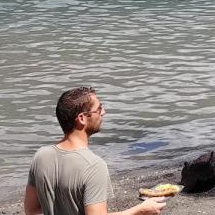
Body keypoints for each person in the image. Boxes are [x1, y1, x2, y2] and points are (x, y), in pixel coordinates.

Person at [24, 87, 165, 215]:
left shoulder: (40, 156)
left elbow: (31, 211)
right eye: (99, 109)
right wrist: (140, 210)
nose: (104, 112)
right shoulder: (94, 166)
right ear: (82, 118)